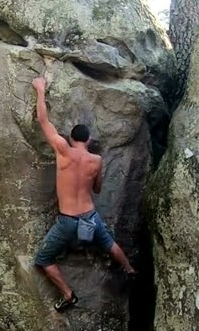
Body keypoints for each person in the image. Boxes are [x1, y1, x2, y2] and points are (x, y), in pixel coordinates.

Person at [30, 58, 136, 312]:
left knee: (43, 259)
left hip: (68, 222)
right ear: (88, 140)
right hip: (90, 217)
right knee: (109, 244)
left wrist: (40, 90)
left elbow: (43, 121)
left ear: (71, 138)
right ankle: (130, 269)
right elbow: (98, 188)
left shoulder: (63, 151)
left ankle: (68, 294)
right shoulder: (95, 160)